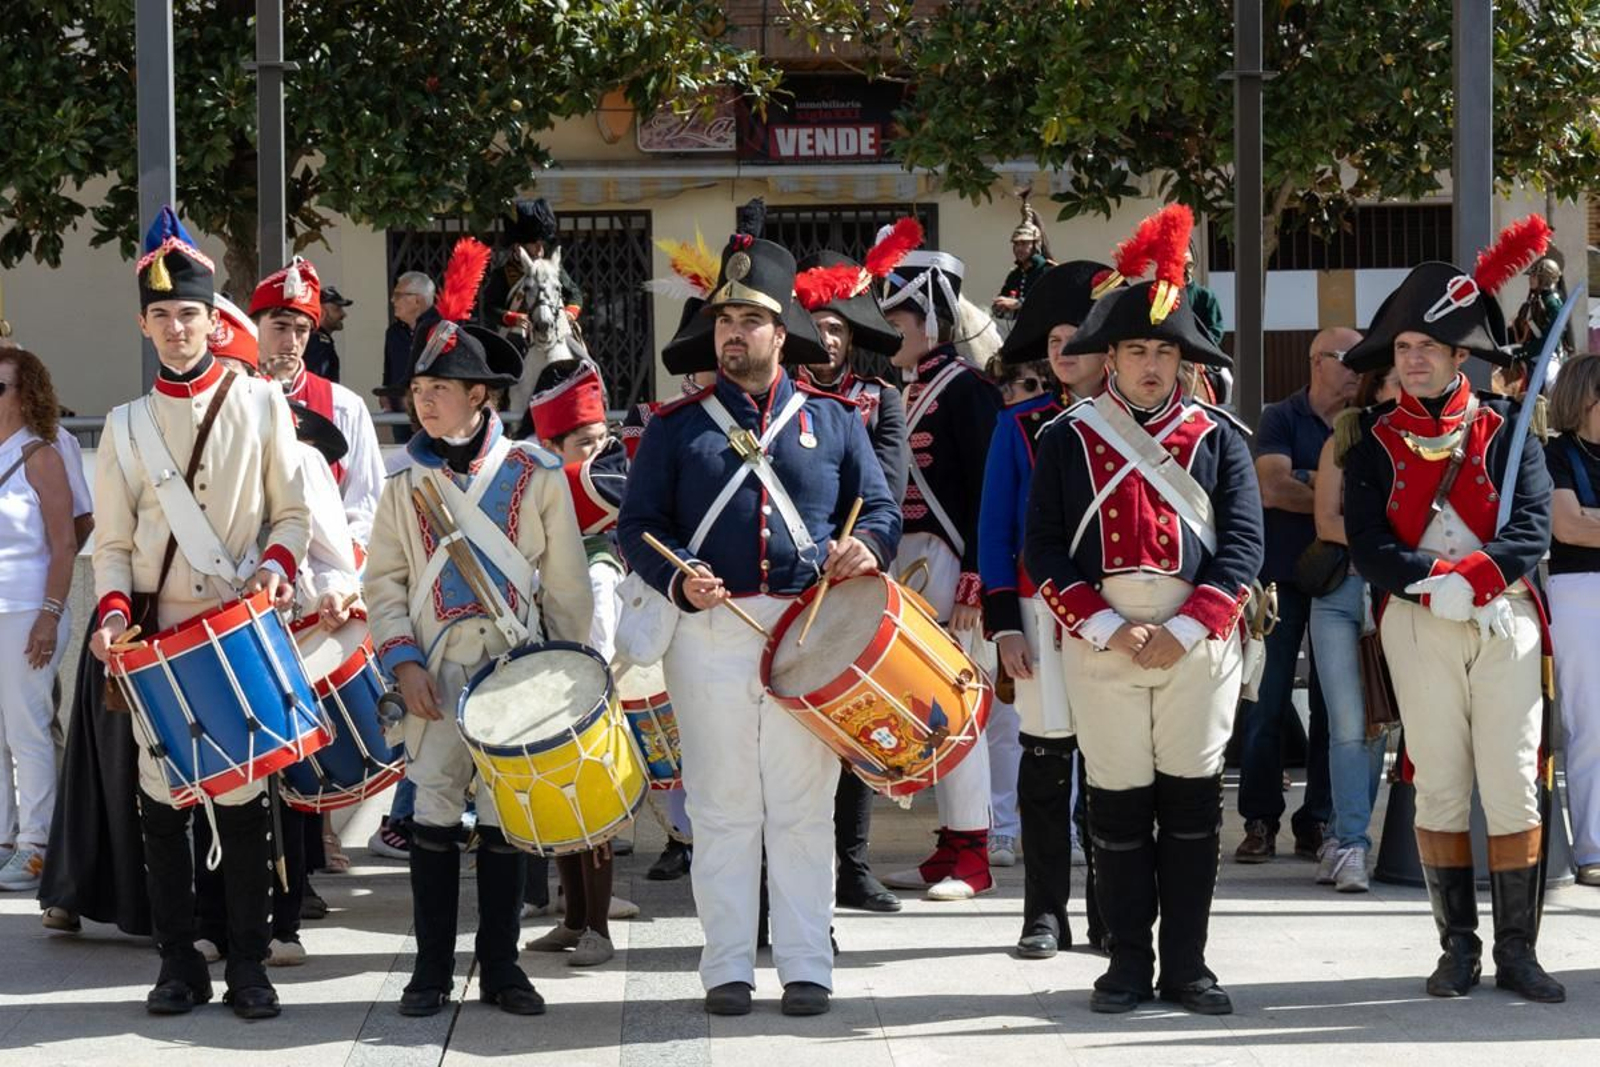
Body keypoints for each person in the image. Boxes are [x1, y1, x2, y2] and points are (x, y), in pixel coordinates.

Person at [618, 231, 900, 1018]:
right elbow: (637, 525)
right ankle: (728, 968)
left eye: (750, 318)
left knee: (804, 806)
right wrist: (680, 576)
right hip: (710, 630)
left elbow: (880, 507)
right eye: (724, 319)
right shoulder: (676, 429)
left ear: (784, 333)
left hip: (810, 629)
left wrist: (863, 547)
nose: (733, 331)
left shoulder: (836, 421)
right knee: (722, 805)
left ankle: (809, 963)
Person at [1025, 204, 1264, 1016]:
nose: (1151, 365)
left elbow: (1242, 545)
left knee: (1193, 807)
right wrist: (1105, 623)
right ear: (1112, 357)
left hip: (1196, 638)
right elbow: (1046, 548)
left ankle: (1187, 966)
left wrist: (1188, 625)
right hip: (1103, 638)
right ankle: (1127, 963)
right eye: (1136, 349)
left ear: (1182, 358)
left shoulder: (1222, 437)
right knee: (1117, 807)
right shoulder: (1067, 436)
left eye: (1165, 350)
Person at [89, 206, 310, 1019]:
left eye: (190, 313)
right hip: (155, 643)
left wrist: (279, 571)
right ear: (144, 325)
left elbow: (291, 515)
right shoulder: (124, 426)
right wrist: (111, 616)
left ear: (215, 320)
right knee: (163, 810)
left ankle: (249, 963)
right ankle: (178, 961)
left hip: (240, 627)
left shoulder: (258, 403)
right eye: (162, 316)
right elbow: (112, 545)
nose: (178, 328)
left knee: (248, 807)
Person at [365, 237, 594, 1018]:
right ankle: (430, 968)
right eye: (420, 386)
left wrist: (568, 678)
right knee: (431, 812)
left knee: (505, 821)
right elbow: (385, 583)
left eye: (442, 387)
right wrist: (402, 666)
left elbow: (566, 589)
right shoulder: (405, 481)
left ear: (482, 396)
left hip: (517, 670)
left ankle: (502, 965)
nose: (424, 400)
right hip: (433, 673)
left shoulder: (537, 475)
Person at [1341, 218, 1565, 1003]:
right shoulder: (1369, 441)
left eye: (1426, 347)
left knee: (1512, 783)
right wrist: (1428, 580)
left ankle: (1518, 950)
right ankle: (1457, 948)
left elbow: (1531, 529)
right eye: (1403, 348)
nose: (1412, 358)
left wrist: (1471, 575)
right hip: (1416, 618)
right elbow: (1365, 542)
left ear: (1459, 355)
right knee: (1437, 783)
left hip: (1502, 616)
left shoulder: (1508, 434)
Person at [982, 260, 1120, 957]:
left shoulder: (1139, 426)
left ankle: (1106, 909)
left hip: (1120, 616)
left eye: (1079, 337)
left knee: (1110, 766)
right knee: (1043, 765)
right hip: (1039, 613)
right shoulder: (1021, 425)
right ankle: (1043, 913)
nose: (1063, 350)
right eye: (1055, 338)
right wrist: (1005, 621)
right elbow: (995, 529)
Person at [792, 235, 916, 915]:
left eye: (838, 328)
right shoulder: (782, 398)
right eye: (818, 327)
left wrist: (863, 545)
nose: (829, 340)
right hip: (796, 575)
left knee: (856, 727)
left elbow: (887, 487)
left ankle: (854, 864)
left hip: (859, 572)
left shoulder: (880, 397)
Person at [877, 248, 1003, 901]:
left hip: (953, 565)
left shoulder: (968, 388)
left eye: (897, 317)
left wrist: (976, 579)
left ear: (929, 318)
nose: (887, 328)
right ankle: (950, 843)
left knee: (961, 706)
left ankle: (974, 854)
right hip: (912, 561)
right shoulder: (907, 387)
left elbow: (988, 490)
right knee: (929, 709)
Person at [1234, 327, 1359, 865]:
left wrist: (1309, 483)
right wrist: (1333, 499)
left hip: (1340, 581)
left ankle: (1318, 822)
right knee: (1267, 702)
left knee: (1336, 707)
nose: (1359, 369)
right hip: (1280, 583)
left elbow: (1365, 493)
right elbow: (1271, 487)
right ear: (1318, 362)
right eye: (1349, 359)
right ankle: (1260, 821)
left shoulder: (1363, 424)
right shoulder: (1281, 417)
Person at [521, 357, 629, 967]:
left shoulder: (599, 555)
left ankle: (599, 928)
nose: (601, 454)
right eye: (585, 443)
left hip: (587, 688)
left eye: (602, 440)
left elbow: (602, 636)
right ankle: (570, 917)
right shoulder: (544, 527)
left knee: (592, 806)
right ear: (552, 449)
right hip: (547, 680)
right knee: (558, 803)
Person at [1309, 364, 1401, 893]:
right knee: (1348, 723)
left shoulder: (1427, 442)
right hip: (1343, 594)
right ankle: (1350, 843)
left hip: (1397, 595)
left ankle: (1348, 839)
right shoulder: (1347, 436)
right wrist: (1388, 544)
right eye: (1394, 382)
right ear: (1376, 389)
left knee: (1377, 727)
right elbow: (1326, 520)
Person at [0, 348, 77, 892]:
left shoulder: (40, 455)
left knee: (27, 730)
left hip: (27, 606)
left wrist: (49, 617)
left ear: (25, 395)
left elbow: (67, 541)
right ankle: (4, 839)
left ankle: (36, 845)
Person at [250, 257, 384, 545]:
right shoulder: (232, 400)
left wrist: (339, 570)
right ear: (255, 327)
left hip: (321, 576)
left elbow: (366, 504)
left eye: (301, 330)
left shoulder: (344, 406)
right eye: (280, 327)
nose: (291, 341)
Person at [1540, 353, 1600, 887]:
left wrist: (1591, 518)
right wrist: (1584, 521)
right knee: (1591, 725)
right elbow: (1569, 528)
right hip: (1581, 593)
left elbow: (1585, 521)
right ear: (1586, 398)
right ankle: (1592, 846)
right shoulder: (1556, 454)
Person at [484, 198, 583, 338]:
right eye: (534, 244)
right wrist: (513, 318)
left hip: (554, 333)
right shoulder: (502, 274)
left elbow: (574, 293)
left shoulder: (552, 268)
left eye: (541, 243)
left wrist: (569, 312)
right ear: (518, 246)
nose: (540, 249)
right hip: (517, 338)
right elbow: (489, 308)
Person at [383, 272, 435, 443]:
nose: (392, 300)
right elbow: (389, 370)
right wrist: (385, 394)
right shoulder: (393, 333)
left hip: (433, 413)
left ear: (417, 300)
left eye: (398, 295)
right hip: (400, 415)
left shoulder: (441, 329)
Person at [992, 202, 1052, 323]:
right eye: (1016, 244)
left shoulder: (1049, 271)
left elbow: (1052, 301)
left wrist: (1019, 303)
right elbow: (1006, 303)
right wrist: (1000, 307)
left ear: (1036, 245)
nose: (1018, 248)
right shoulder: (1014, 275)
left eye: (1024, 243)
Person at [302, 285, 352, 382]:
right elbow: (316, 382)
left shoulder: (317, 339)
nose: (344, 314)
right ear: (322, 313)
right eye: (337, 309)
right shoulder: (318, 342)